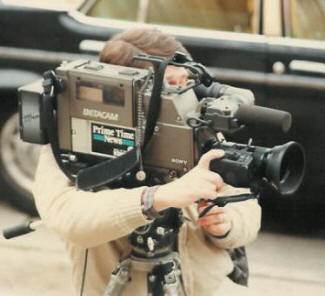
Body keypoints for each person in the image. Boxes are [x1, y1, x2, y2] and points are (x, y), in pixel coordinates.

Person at [33, 27, 261, 296]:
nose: (185, 96)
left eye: (186, 82)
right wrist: (155, 199)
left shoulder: (193, 126)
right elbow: (70, 218)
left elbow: (246, 207)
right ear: (131, 92)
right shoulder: (70, 140)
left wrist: (227, 226)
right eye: (172, 87)